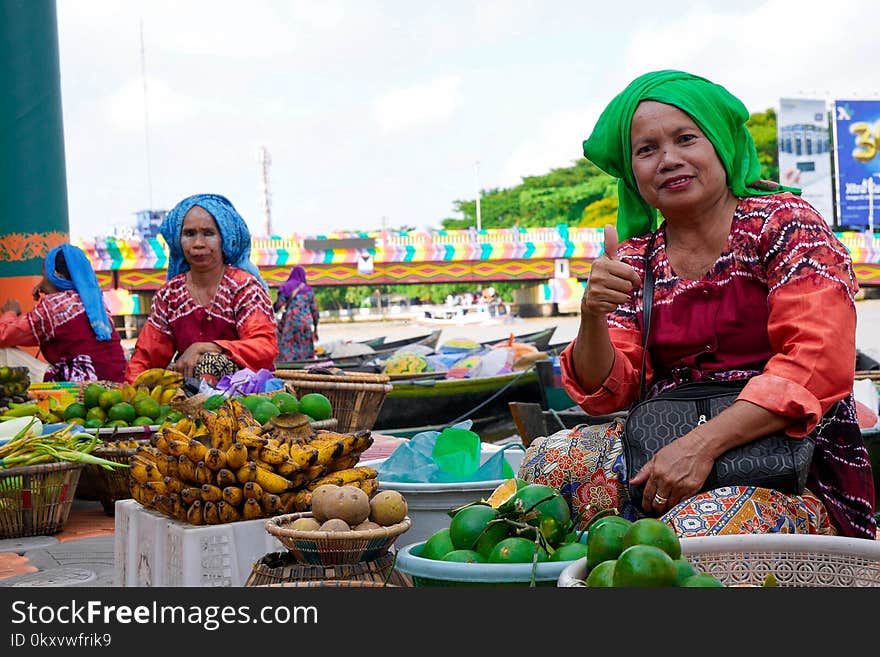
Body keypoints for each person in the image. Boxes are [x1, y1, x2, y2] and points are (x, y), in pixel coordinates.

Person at [519, 70, 876, 539]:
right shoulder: (635, 257)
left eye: (686, 139)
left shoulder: (786, 224)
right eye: (647, 150)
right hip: (670, 441)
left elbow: (816, 364)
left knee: (692, 536)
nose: (668, 159)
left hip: (795, 462)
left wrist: (700, 447)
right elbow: (609, 389)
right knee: (546, 469)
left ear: (721, 145)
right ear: (633, 172)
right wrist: (592, 316)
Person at [125, 193, 278, 384]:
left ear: (225, 238)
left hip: (250, 396)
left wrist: (207, 348)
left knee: (209, 361)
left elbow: (263, 347)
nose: (198, 244)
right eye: (189, 234)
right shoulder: (169, 295)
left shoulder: (245, 288)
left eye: (208, 233)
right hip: (191, 401)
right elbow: (145, 359)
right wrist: (130, 395)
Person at [0, 244, 127, 382]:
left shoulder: (54, 306)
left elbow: (3, 335)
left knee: (3, 352)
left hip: (78, 386)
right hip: (116, 384)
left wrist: (10, 312)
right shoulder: (97, 301)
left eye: (44, 276)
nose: (41, 282)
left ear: (57, 276)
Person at [274, 265, 319, 361]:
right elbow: (315, 311)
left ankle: (290, 367)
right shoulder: (308, 290)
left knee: (288, 345)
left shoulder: (286, 287)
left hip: (291, 322)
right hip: (305, 322)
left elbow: (278, 305)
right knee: (305, 345)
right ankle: (304, 365)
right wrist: (315, 328)